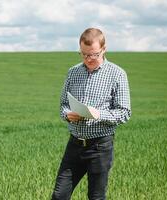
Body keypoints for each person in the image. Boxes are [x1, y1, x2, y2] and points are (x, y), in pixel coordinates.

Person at [51, 28, 131, 200]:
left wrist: (98, 114)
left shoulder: (117, 74)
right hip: (75, 144)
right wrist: (68, 115)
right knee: (59, 196)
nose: (88, 59)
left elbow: (124, 113)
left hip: (100, 147)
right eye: (84, 54)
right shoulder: (73, 72)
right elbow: (63, 105)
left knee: (96, 197)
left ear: (103, 49)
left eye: (93, 55)